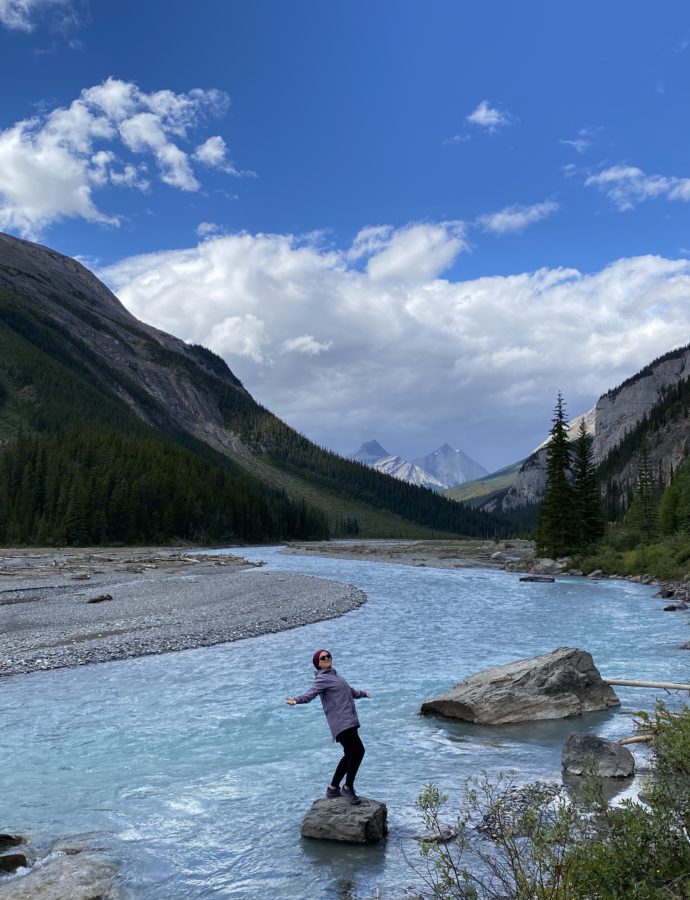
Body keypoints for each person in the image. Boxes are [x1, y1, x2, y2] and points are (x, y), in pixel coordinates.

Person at [286, 649, 371, 805]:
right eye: (322, 658)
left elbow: (350, 692)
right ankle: (347, 787)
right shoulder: (322, 679)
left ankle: (333, 788)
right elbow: (310, 694)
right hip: (341, 722)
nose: (327, 658)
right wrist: (296, 700)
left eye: (328, 656)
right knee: (358, 750)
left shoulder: (336, 676)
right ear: (317, 664)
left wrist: (363, 693)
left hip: (348, 720)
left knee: (349, 754)